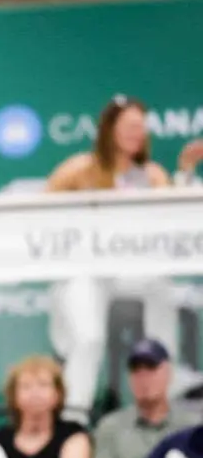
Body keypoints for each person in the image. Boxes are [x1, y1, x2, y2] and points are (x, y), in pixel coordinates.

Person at [44, 96, 191, 420]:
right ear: (110, 129)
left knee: (161, 288)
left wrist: (186, 173)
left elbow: (176, 216)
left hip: (132, 270)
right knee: (89, 337)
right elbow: (40, 215)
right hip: (86, 269)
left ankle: (166, 386)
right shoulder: (79, 169)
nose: (136, 134)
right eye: (129, 126)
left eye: (141, 127)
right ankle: (75, 415)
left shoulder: (151, 174)